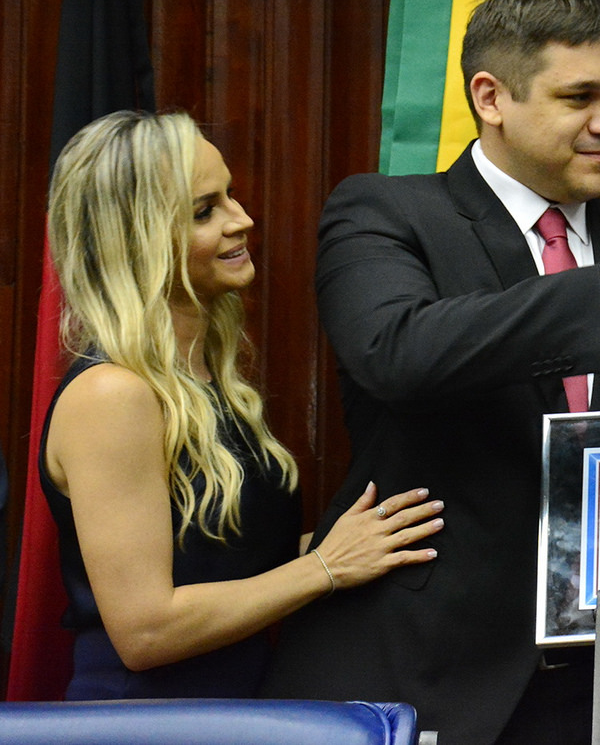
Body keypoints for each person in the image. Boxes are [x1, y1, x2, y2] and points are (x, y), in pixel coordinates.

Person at [263, 0, 600, 745]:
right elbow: (400, 352)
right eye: (578, 97)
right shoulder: (385, 213)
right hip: (423, 677)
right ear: (491, 97)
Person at [39, 110, 441, 700]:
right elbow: (145, 630)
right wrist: (325, 568)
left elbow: (229, 566)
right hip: (149, 721)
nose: (242, 219)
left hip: (242, 698)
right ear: (137, 238)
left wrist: (386, 540)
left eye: (230, 196)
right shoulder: (114, 394)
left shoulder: (203, 378)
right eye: (205, 211)